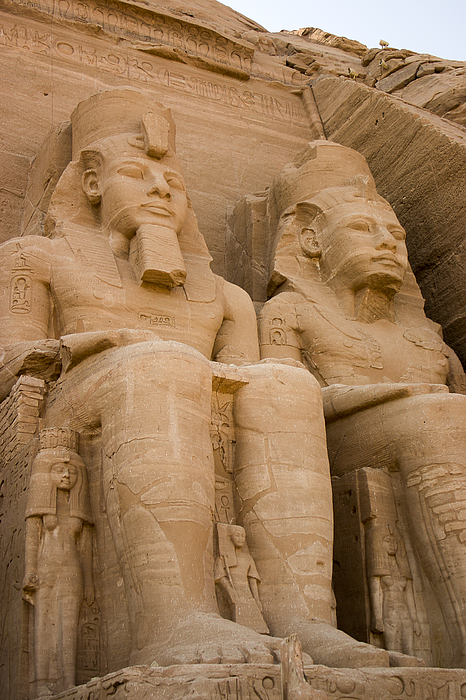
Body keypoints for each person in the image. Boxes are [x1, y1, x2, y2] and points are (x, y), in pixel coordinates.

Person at [1, 92, 396, 670]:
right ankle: (172, 621)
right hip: (74, 403)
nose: (162, 190)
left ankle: (301, 618)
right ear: (90, 184)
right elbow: (10, 358)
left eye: (176, 184)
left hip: (168, 389)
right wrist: (104, 342)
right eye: (137, 174)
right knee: (164, 364)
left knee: (286, 389)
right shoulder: (35, 258)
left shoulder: (226, 296)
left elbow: (249, 373)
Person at [258, 140, 466, 667]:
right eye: (361, 230)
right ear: (310, 242)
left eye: (396, 235)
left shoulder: (430, 336)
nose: (387, 244)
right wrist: (401, 395)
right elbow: (287, 399)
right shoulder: (289, 311)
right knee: (439, 416)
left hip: (430, 429)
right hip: (336, 445)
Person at [22, 428, 94, 697]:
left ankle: (67, 682)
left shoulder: (78, 512)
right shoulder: (40, 510)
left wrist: (89, 582)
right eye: (58, 471)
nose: (66, 475)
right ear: (45, 476)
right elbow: (32, 539)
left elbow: (86, 549)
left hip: (72, 570)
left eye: (71, 471)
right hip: (44, 568)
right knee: (43, 625)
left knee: (69, 625)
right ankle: (41, 685)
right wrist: (30, 572)